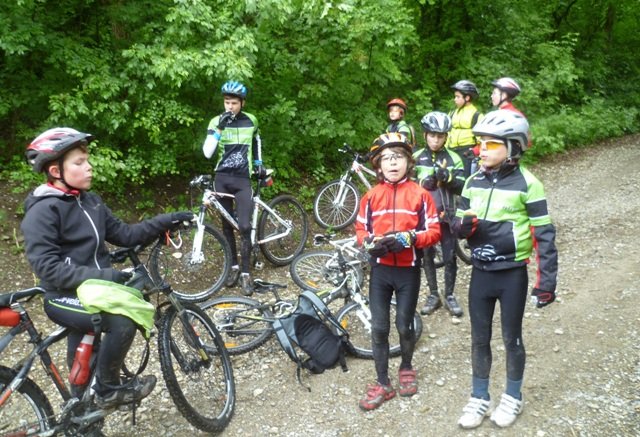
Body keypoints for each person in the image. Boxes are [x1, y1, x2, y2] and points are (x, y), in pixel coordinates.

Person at [20, 127, 194, 408]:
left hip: (97, 290)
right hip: (63, 295)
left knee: (85, 359)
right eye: (79, 163)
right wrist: (108, 276)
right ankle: (107, 389)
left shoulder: (90, 202)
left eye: (87, 160)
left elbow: (126, 235)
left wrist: (167, 220)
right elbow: (48, 268)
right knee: (121, 320)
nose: (89, 167)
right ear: (55, 170)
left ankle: (84, 416)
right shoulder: (43, 210)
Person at [451, 110, 558, 429]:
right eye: (480, 142)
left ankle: (513, 396)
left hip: (512, 274)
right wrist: (462, 227)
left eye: (491, 143)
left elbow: (544, 235)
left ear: (513, 147)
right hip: (480, 273)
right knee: (478, 338)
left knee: (511, 338)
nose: (482, 149)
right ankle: (479, 397)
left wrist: (546, 282)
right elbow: (457, 224)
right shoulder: (472, 181)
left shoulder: (529, 184)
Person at [355, 133, 441, 411]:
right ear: (378, 165)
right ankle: (383, 382)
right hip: (380, 272)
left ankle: (406, 366)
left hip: (408, 271)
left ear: (408, 162)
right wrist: (369, 245)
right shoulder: (370, 197)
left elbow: (434, 231)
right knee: (379, 328)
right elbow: (360, 230)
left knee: (405, 325)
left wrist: (409, 239)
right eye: (387, 159)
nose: (393, 163)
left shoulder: (420, 194)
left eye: (399, 157)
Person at [202, 80, 264, 296]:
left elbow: (256, 142)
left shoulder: (251, 121)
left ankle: (246, 273)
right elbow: (207, 153)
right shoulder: (215, 121)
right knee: (227, 226)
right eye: (227, 102)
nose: (229, 106)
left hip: (242, 180)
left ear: (242, 103)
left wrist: (259, 165)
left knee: (244, 226)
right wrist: (220, 127)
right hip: (222, 178)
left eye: (234, 103)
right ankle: (234, 267)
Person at [414, 111, 465, 317]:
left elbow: (463, 186)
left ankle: (450, 295)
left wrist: (448, 177)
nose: (436, 140)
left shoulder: (454, 158)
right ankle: (433, 294)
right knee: (426, 256)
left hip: (447, 215)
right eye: (432, 135)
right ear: (425, 134)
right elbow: (405, 185)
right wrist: (422, 184)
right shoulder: (416, 157)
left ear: (446, 136)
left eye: (441, 136)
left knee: (450, 256)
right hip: (425, 217)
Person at [446, 80, 483, 177]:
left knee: (463, 182)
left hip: (466, 154)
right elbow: (447, 133)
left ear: (467, 97)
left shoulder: (477, 116)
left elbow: (483, 141)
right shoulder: (452, 113)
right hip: (450, 152)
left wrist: (474, 152)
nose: (455, 99)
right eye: (455, 96)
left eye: (458, 97)